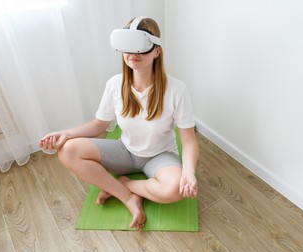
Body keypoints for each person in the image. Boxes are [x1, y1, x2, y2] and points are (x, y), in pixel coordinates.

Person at [38, 16, 199, 230]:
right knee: (68, 150)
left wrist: (188, 172)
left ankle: (126, 184)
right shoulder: (115, 84)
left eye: (140, 47)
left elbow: (188, 140)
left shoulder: (177, 90)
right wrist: (67, 134)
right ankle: (128, 197)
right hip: (124, 151)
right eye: (127, 48)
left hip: (160, 155)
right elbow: (99, 125)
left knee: (176, 190)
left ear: (157, 51)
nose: (132, 54)